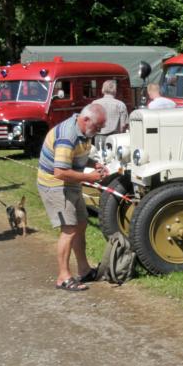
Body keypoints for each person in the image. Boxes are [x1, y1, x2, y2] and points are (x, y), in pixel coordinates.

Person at [36, 103, 107, 290]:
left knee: (81, 223)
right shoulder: (68, 136)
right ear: (85, 120)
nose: (98, 131)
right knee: (69, 229)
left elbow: (76, 156)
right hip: (56, 186)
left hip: (71, 184)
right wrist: (89, 177)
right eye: (97, 127)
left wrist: (94, 164)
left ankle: (84, 270)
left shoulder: (83, 131)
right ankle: (63, 277)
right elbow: (59, 171)